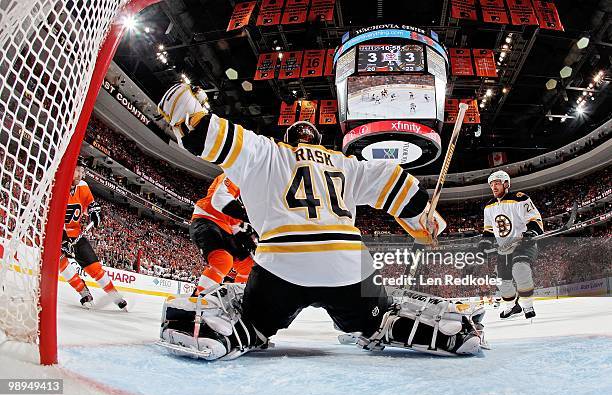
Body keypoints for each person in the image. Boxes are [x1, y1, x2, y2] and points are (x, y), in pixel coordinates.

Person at [156, 83, 485, 361]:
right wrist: (423, 219)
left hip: (281, 265)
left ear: (287, 138)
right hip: (351, 265)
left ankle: (229, 330)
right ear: (319, 142)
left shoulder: (266, 150)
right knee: (382, 315)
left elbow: (197, 129)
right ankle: (440, 329)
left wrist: (188, 103)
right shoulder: (345, 163)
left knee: (251, 316)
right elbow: (396, 181)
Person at [59, 158, 127, 309]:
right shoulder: (57, 185)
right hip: (56, 235)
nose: (80, 175)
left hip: (76, 234)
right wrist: (62, 239)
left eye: (82, 172)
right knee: (59, 261)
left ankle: (114, 295)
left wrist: (94, 211)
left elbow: (90, 204)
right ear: (69, 168)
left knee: (94, 267)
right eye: (78, 170)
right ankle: (83, 292)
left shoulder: (83, 186)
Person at [478, 170, 543, 319]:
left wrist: (532, 232)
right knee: (502, 280)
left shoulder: (520, 199)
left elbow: (534, 218)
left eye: (497, 183)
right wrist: (484, 242)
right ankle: (512, 306)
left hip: (522, 243)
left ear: (506, 184)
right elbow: (488, 229)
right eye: (492, 185)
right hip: (504, 248)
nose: (494, 187)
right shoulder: (489, 206)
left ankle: (527, 306)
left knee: (520, 269)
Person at [190, 173, 256, 294]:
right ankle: (198, 299)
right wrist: (248, 220)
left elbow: (236, 223)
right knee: (223, 260)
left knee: (250, 267)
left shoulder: (250, 191)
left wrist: (246, 237)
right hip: (206, 218)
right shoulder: (236, 174)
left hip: (228, 228)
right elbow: (219, 198)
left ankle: (237, 298)